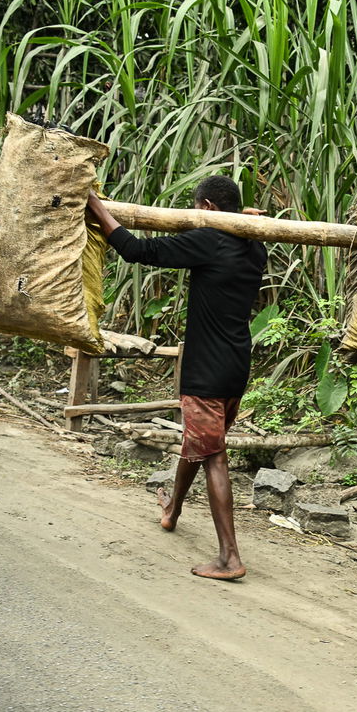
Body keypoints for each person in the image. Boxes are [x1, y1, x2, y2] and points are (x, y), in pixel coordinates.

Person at [85, 177, 267, 582]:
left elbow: (135, 250)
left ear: (207, 208)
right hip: (237, 364)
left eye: (197, 209)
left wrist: (94, 204)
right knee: (199, 442)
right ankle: (172, 511)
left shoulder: (209, 241)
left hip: (205, 368)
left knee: (214, 453)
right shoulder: (255, 245)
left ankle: (229, 557)